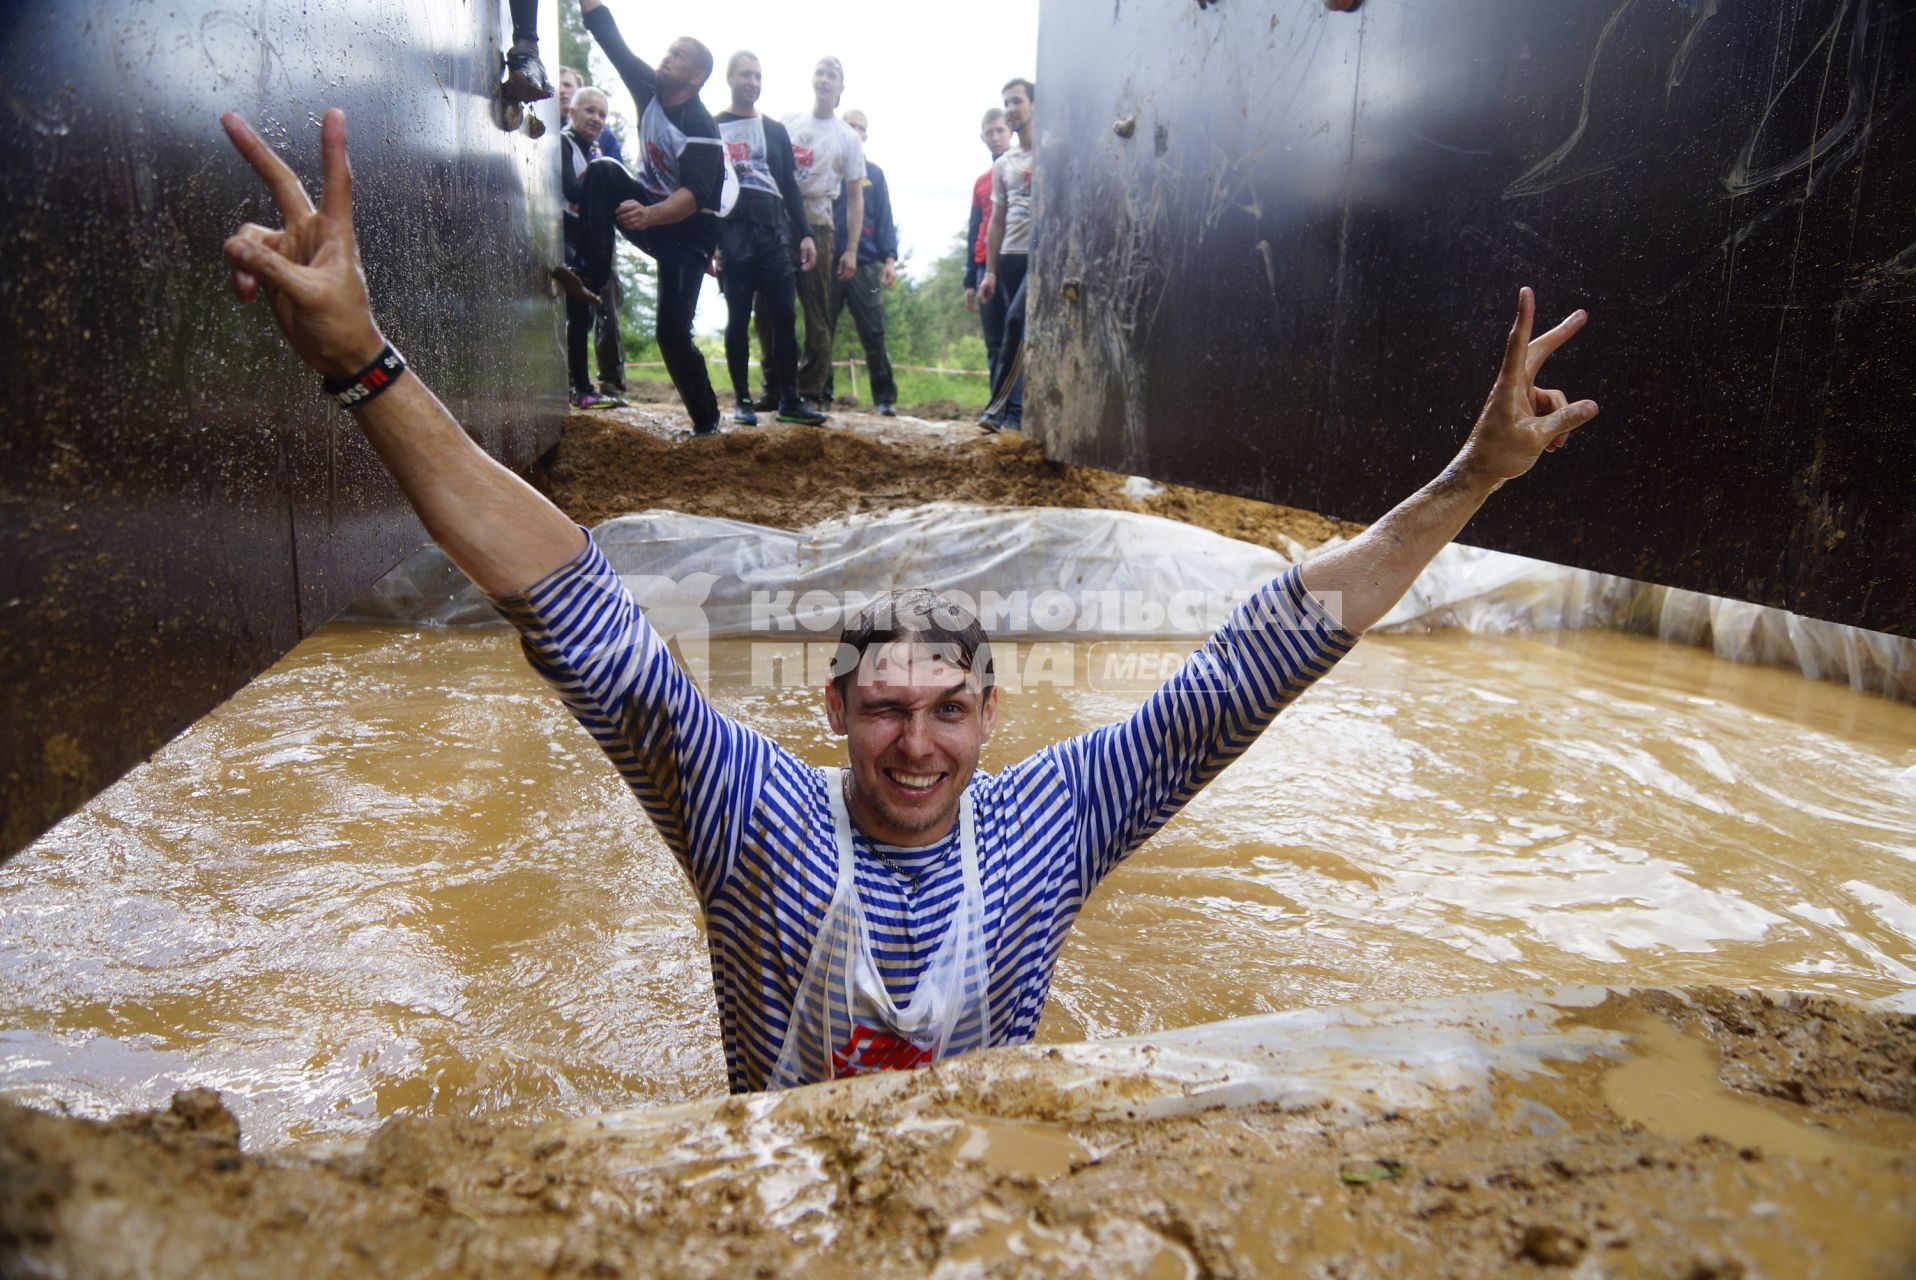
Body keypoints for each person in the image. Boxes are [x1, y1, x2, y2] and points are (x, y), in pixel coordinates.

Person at [219, 106, 1598, 1092]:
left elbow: (1261, 657)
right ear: (833, 707)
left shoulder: (1061, 817)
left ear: (994, 710)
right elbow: (572, 604)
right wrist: (366, 367)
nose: (919, 744)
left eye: (947, 708)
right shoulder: (743, 807)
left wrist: (1472, 477)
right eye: (885, 710)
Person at [572, 0, 725, 436]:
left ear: (694, 77)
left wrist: (649, 214)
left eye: (678, 56)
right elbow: (610, 39)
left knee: (672, 335)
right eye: (668, 50)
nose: (666, 58)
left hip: (688, 236)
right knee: (602, 172)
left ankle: (707, 423)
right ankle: (591, 277)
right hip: (650, 214)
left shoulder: (701, 126)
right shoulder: (650, 88)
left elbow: (694, 196)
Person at [713, 52, 828, 428]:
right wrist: (712, 244)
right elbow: (707, 189)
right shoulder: (712, 127)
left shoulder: (775, 129)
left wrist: (806, 234)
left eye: (758, 77)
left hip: (774, 228)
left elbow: (790, 186)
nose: (753, 83)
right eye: (746, 75)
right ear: (730, 79)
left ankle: (790, 398)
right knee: (738, 316)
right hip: (733, 229)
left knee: (784, 314)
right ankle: (743, 400)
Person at [782, 58, 865, 408]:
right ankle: (777, 387)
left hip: (820, 224)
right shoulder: (788, 124)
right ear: (812, 80)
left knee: (817, 311)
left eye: (832, 76)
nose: (825, 80)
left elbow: (856, 196)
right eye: (820, 73)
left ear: (840, 87)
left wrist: (852, 249)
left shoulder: (846, 136)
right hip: (783, 221)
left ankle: (811, 391)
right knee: (773, 308)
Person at [825, 110, 900, 416]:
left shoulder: (874, 174)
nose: (855, 131)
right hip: (827, 262)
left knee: (874, 332)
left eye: (861, 127)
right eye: (850, 125)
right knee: (821, 331)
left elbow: (885, 217)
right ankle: (819, 394)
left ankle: (884, 399)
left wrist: (890, 259)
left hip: (866, 264)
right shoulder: (827, 167)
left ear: (866, 135)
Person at [558, 86, 626, 410]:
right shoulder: (563, 143)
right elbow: (571, 190)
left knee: (584, 312)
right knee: (574, 311)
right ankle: (579, 387)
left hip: (587, 237)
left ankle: (583, 385)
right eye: (589, 111)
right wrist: (598, 172)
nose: (596, 119)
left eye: (602, 114)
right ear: (572, 112)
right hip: (564, 233)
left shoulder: (594, 150)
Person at [978, 79, 1035, 432]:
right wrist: (989, 271)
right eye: (1007, 103)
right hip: (1009, 257)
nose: (1012, 108)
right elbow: (996, 221)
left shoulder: (1055, 152)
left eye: (1017, 101)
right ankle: (1011, 413)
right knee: (1013, 334)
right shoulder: (1005, 164)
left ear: (1034, 105)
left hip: (1041, 258)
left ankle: (1005, 412)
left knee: (1017, 324)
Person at [963, 108, 1012, 386]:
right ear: (982, 137)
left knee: (1016, 335)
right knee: (993, 340)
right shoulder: (981, 182)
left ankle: (1016, 408)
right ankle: (996, 403)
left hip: (1013, 261)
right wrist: (970, 279)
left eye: (1000, 131)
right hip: (984, 266)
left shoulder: (1026, 170)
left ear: (1010, 131)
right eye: (989, 132)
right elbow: (974, 230)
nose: (995, 137)